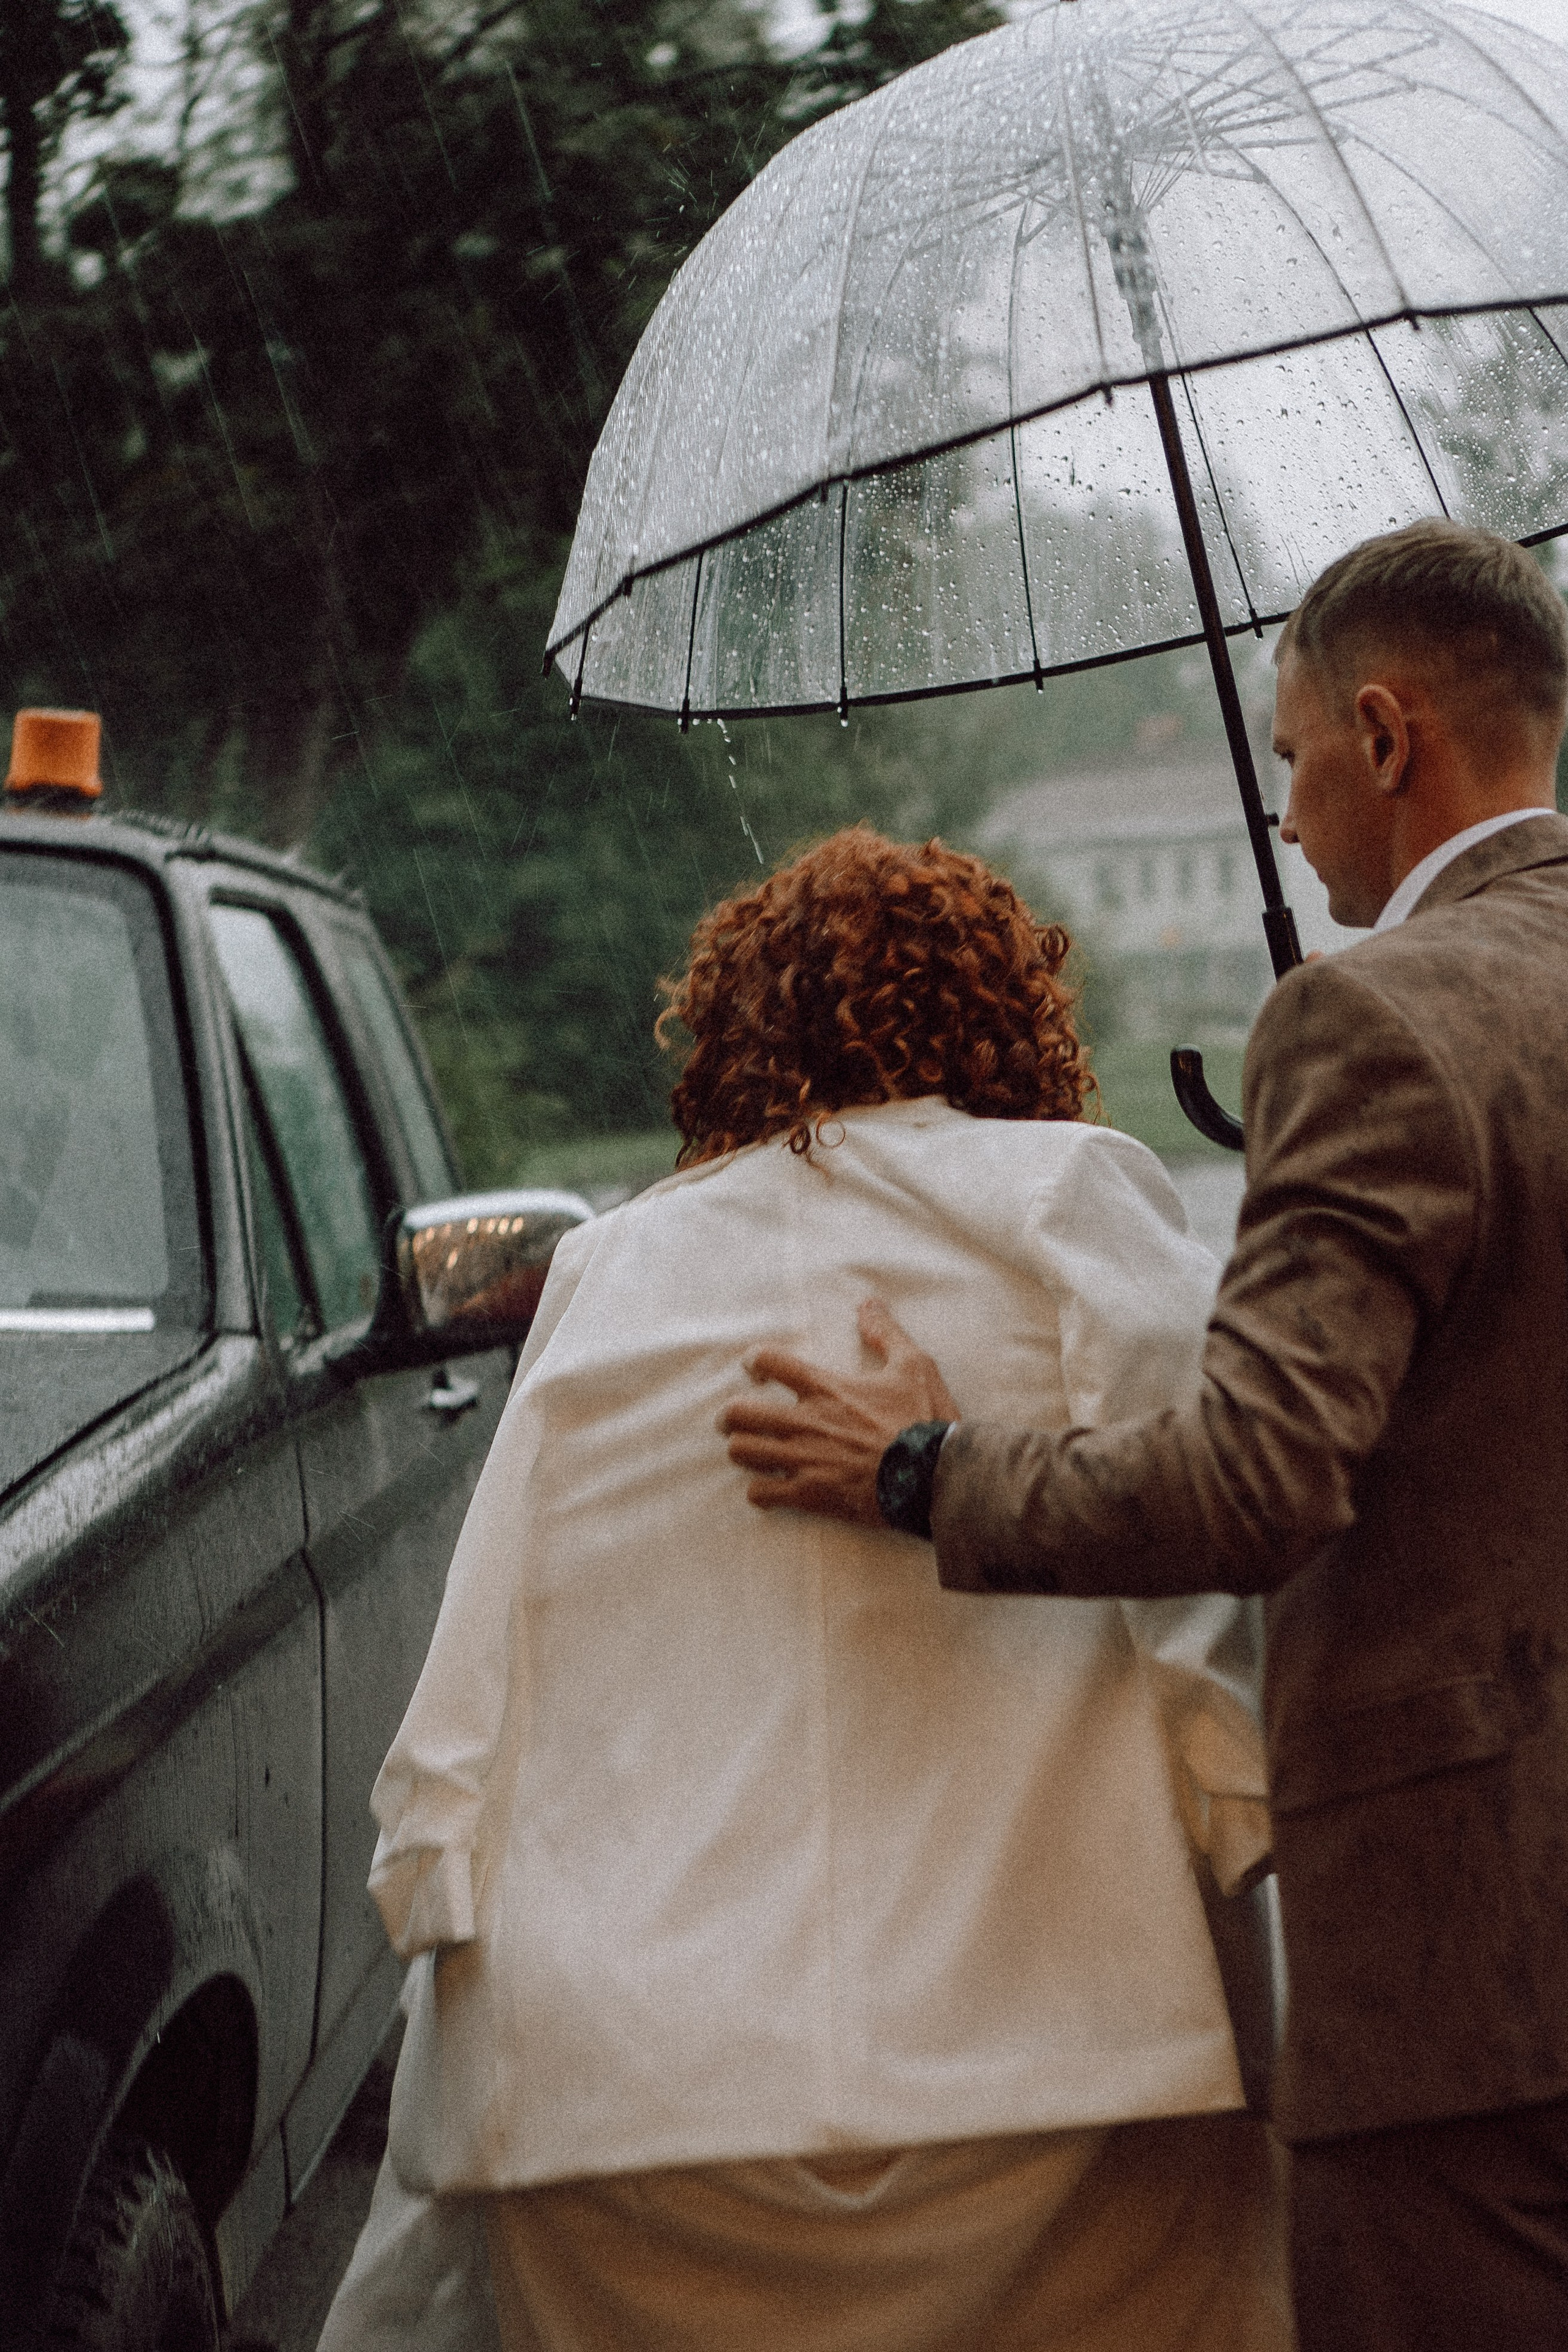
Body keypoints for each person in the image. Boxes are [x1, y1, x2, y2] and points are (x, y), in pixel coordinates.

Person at [720, 521, 1568, 2352]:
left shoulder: (1372, 1022)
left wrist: (918, 1464)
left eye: (1288, 756)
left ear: (1389, 734)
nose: (1284, 810)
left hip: (1478, 1961)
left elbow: (1259, 1478)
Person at [319, 828, 1291, 2352]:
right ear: (1009, 1012)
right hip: (1060, 2054)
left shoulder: (616, 1268)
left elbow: (479, 1646)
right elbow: (1204, 1545)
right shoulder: (1067, 1202)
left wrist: (428, 1875)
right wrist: (1240, 1822)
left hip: (638, 2099)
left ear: (733, 1029)